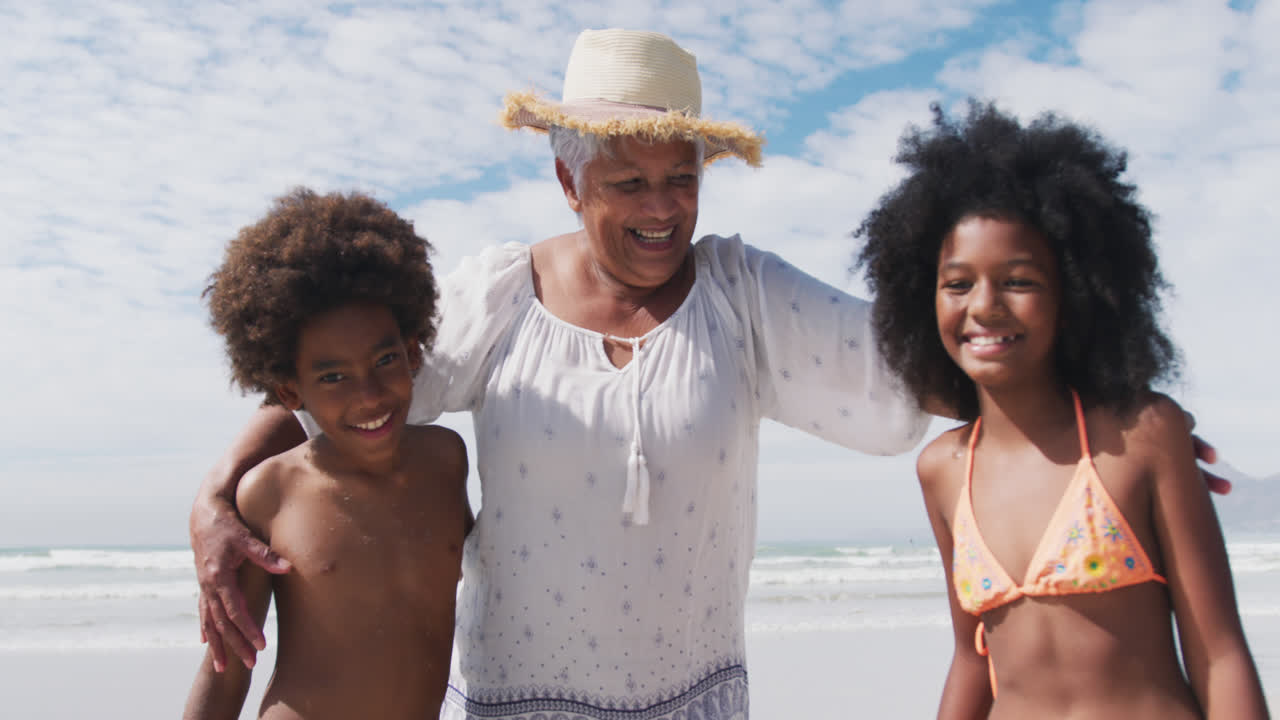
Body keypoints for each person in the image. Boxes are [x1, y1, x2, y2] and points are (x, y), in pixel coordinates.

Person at [189, 31, 1227, 720]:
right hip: (520, 700)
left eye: (678, 179)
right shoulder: (498, 298)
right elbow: (343, 401)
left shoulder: (744, 295)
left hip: (699, 699)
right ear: (566, 179)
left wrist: (1108, 409)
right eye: (626, 181)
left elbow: (938, 360)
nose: (659, 206)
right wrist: (214, 497)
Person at [856, 101, 1268, 719]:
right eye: (958, 283)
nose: (985, 305)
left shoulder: (1143, 433)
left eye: (1019, 280)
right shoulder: (943, 468)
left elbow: (1219, 653)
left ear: (1073, 293)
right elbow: (972, 660)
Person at [183, 189, 473, 719]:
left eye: (385, 359)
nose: (368, 394)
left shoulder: (447, 460)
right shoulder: (270, 492)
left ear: (412, 353)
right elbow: (226, 674)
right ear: (291, 391)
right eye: (332, 376)